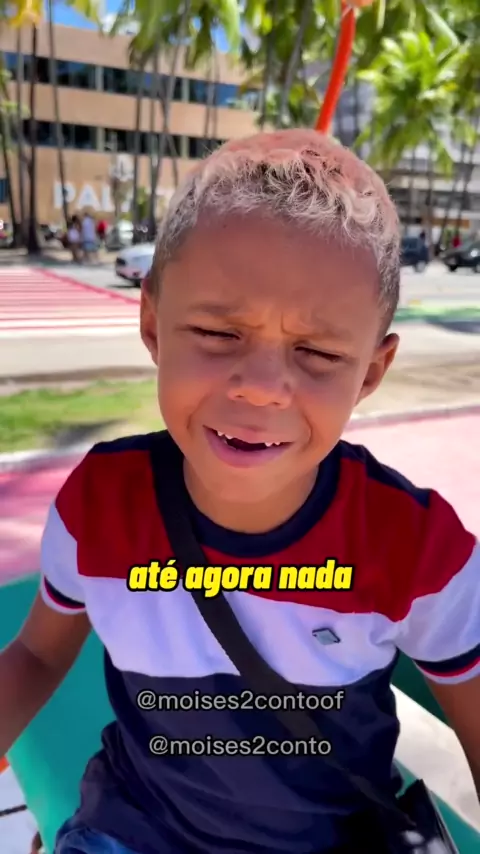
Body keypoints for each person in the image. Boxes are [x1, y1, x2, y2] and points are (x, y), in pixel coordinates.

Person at [0, 129, 479, 854]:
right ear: (153, 323)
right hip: (132, 831)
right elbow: (37, 654)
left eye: (317, 352)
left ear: (371, 373)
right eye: (217, 333)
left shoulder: (417, 549)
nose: (261, 387)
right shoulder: (101, 505)